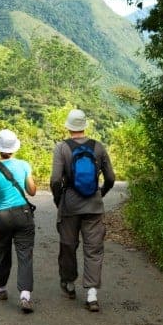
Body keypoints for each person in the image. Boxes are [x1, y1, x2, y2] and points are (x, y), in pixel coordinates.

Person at [50, 109, 115, 312]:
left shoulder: (61, 148)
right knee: (94, 249)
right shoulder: (98, 147)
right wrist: (100, 193)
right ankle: (92, 295)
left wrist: (59, 199)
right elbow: (111, 177)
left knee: (68, 245)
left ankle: (69, 285)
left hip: (70, 205)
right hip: (94, 205)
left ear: (68, 127)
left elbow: (54, 180)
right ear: (85, 126)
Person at [0, 128, 37, 313]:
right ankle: (25, 295)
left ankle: (1, 288)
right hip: (23, 214)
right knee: (25, 254)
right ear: (14, 148)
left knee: (2, 252)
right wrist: (28, 178)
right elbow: (32, 191)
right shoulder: (24, 165)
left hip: (1, 217)